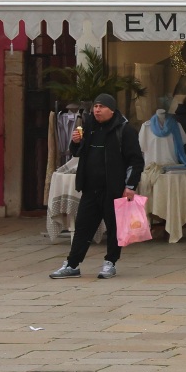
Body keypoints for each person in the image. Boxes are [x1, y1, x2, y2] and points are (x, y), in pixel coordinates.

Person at [51, 94, 143, 280]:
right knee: (83, 227)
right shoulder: (89, 127)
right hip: (91, 188)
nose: (97, 110)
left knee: (114, 228)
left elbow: (136, 161)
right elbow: (78, 153)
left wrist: (130, 185)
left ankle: (110, 262)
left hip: (114, 189)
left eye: (101, 107)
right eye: (95, 106)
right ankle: (72, 264)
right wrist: (75, 142)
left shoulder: (124, 130)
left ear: (111, 109)